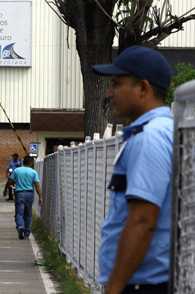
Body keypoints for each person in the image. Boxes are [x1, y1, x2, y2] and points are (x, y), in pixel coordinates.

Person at [92, 46, 173, 294]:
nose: (109, 93)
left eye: (117, 83)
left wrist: (114, 289)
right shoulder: (164, 131)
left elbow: (142, 221)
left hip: (144, 285)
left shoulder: (150, 138)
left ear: (143, 88)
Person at [3, 155, 43, 239]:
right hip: (29, 194)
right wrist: (40, 197)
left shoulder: (17, 171)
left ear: (23, 162)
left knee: (19, 213)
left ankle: (20, 226)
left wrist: (5, 189)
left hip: (19, 194)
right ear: (31, 163)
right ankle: (27, 233)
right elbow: (37, 185)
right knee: (28, 214)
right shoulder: (33, 172)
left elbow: (10, 181)